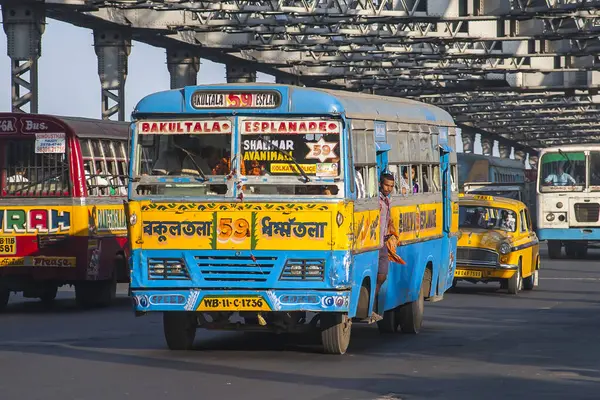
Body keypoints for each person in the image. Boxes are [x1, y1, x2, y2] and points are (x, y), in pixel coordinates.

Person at [373, 172, 405, 319]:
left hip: (383, 242)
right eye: (386, 185)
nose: (388, 188)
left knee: (382, 275)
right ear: (380, 183)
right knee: (378, 275)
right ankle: (370, 307)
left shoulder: (387, 200)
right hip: (374, 242)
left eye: (391, 186)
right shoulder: (376, 200)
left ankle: (372, 305)